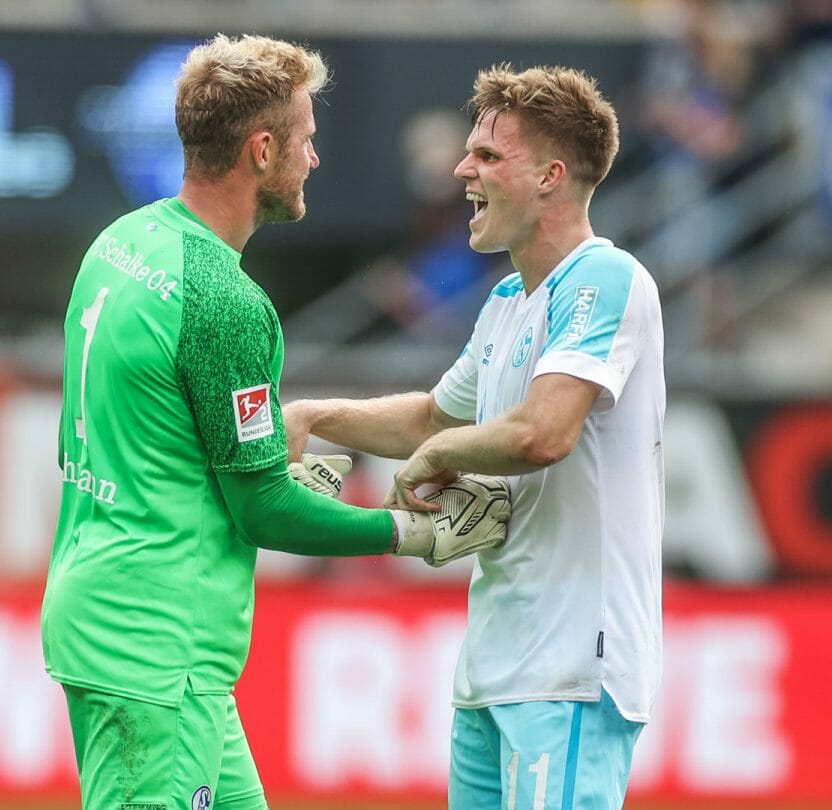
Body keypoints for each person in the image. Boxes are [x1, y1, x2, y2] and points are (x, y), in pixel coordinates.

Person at [38, 35, 509, 810]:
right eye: (307, 140)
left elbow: (115, 438)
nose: (315, 160)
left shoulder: (120, 244)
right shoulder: (224, 301)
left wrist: (258, 474)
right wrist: (413, 533)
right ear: (262, 150)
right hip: (155, 652)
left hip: (142, 637)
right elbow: (263, 510)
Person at [284, 64, 664, 810]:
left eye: (489, 156)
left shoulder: (606, 278)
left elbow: (544, 431)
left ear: (552, 176)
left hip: (572, 671)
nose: (463, 170)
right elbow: (432, 417)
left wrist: (438, 457)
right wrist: (314, 416)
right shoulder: (505, 302)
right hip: (497, 665)